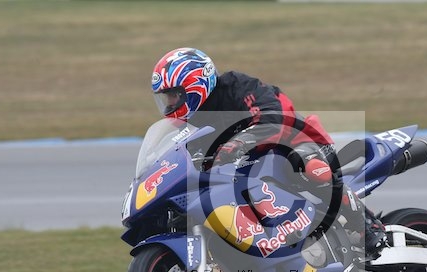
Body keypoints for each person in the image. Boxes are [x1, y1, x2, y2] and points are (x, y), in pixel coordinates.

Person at [150, 47, 386, 258]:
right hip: (247, 166)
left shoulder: (238, 87)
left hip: (292, 141)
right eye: (165, 98)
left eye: (174, 95)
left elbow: (273, 117)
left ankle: (367, 225)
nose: (169, 104)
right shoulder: (190, 121)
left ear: (195, 86)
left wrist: (240, 142)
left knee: (313, 169)